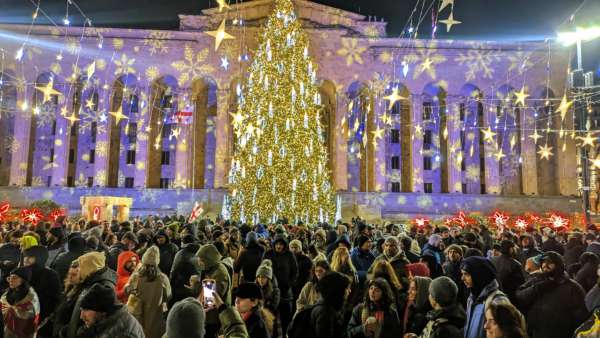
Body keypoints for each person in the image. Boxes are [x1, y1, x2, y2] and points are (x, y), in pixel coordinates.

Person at [516, 251, 588, 338]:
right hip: (537, 332)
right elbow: (520, 296)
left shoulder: (572, 287)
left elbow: (581, 318)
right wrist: (537, 288)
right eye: (543, 262)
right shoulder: (536, 280)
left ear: (558, 265)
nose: (545, 265)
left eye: (550, 263)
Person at [67, 251, 117, 338]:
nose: (79, 271)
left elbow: (99, 321)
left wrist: (80, 333)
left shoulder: (104, 287)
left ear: (90, 267)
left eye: (81, 267)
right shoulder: (90, 282)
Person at [165, 287, 249, 338]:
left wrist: (196, 314)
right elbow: (238, 332)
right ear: (202, 331)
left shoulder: (172, 332)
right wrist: (222, 308)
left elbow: (177, 329)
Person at [125, 246, 171, 338]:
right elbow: (168, 296)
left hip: (138, 316)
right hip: (156, 316)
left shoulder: (136, 276)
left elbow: (127, 291)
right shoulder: (162, 278)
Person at [460, 256, 508, 338]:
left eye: (466, 274)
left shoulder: (497, 301)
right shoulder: (472, 298)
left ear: (479, 275)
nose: (462, 278)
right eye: (462, 274)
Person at [22, 245, 62, 337]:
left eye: (30, 257)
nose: (26, 259)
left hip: (40, 319)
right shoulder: (22, 272)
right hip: (21, 317)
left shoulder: (51, 275)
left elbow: (54, 300)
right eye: (25, 256)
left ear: (39, 258)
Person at [77, 283, 145, 338]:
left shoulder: (125, 333)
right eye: (81, 310)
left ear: (102, 311)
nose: (81, 316)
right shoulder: (103, 322)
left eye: (85, 310)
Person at [262, 234, 297, 335]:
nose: (279, 246)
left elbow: (295, 271)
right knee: (270, 317)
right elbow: (263, 270)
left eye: (281, 244)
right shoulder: (268, 254)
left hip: (286, 293)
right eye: (277, 244)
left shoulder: (290, 255)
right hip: (270, 291)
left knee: (286, 317)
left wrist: (289, 283)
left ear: (284, 245)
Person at [196, 243, 232, 338]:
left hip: (214, 318)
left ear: (208, 260)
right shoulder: (211, 269)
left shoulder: (219, 274)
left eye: (201, 260)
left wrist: (196, 285)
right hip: (210, 316)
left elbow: (209, 299)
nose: (199, 263)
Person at [0, 266, 40, 338]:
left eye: (14, 278)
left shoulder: (31, 297)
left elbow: (30, 321)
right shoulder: (7, 293)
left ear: (23, 280)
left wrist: (15, 310)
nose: (11, 280)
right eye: (10, 278)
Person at [310, 271, 352, 338]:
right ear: (338, 289)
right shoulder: (325, 312)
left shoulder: (330, 306)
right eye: (347, 288)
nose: (350, 291)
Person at [169, 234, 201, 306]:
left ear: (183, 242)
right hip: (196, 287)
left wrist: (171, 283)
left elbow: (174, 270)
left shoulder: (181, 253)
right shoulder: (199, 252)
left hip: (181, 286)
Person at [490, 240, 525, 304]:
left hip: (494, 295)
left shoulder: (492, 260)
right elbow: (521, 283)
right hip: (509, 297)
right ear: (511, 249)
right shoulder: (515, 264)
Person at [289, 239, 313, 305]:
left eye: (296, 247)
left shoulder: (306, 260)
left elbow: (309, 275)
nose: (293, 249)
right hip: (290, 287)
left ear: (300, 248)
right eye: (292, 247)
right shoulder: (288, 258)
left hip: (301, 287)